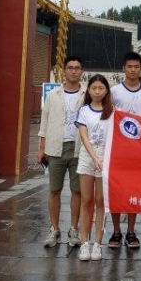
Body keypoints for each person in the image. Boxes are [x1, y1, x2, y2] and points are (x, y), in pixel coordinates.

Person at [37, 56, 86, 248]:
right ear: (64, 70)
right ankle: (54, 228)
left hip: (79, 148)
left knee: (77, 191)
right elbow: (44, 122)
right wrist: (42, 148)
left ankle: (74, 229)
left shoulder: (87, 93)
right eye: (70, 67)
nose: (73, 71)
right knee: (54, 190)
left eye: (77, 68)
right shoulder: (53, 95)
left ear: (81, 71)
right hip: (56, 147)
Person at [108, 52, 141, 249]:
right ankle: (116, 231)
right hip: (118, 148)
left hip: (138, 150)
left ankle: (131, 231)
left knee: (134, 190)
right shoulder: (114, 91)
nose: (133, 70)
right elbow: (108, 116)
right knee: (116, 189)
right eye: (129, 66)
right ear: (123, 68)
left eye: (136, 67)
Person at [75, 74, 114, 261]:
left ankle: (98, 244)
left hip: (105, 158)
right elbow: (84, 137)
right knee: (86, 200)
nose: (97, 92)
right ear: (88, 90)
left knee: (100, 201)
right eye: (94, 88)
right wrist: (94, 157)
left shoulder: (113, 111)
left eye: (101, 88)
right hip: (87, 157)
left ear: (106, 91)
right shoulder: (84, 111)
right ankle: (84, 243)